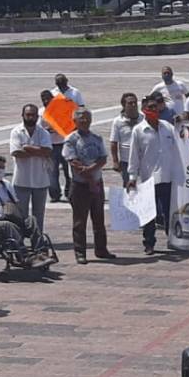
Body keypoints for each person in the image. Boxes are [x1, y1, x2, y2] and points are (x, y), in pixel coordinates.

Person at [127, 94, 184, 255]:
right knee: (149, 215)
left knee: (170, 212)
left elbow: (180, 144)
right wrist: (132, 177)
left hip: (168, 177)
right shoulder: (139, 131)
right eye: (150, 107)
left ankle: (172, 240)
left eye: (156, 106)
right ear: (144, 110)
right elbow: (134, 156)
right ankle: (149, 243)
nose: (154, 109)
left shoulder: (167, 127)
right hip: (149, 179)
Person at [63, 108, 115, 264]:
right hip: (80, 185)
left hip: (97, 183)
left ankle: (101, 249)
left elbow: (103, 158)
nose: (84, 121)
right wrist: (88, 176)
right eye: (81, 118)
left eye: (87, 118)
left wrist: (91, 171)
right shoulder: (71, 139)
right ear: (75, 121)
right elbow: (73, 162)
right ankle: (80, 252)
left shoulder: (97, 138)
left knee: (99, 219)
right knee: (80, 221)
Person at [8, 104, 53, 233]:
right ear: (22, 115)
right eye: (28, 115)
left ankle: (37, 240)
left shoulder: (43, 132)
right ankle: (20, 239)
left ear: (37, 117)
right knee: (20, 214)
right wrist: (39, 151)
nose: (31, 117)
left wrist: (27, 148)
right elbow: (16, 152)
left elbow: (48, 151)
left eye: (33, 115)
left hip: (40, 180)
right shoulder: (16, 131)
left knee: (38, 215)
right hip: (21, 180)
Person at [38, 89, 71, 202]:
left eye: (48, 99)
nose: (46, 101)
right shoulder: (41, 112)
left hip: (64, 143)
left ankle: (69, 192)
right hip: (50, 145)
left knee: (68, 171)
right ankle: (55, 194)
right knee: (52, 172)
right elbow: (39, 129)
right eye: (43, 100)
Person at [108, 93, 142, 186]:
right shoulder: (118, 121)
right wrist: (115, 161)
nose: (133, 105)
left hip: (143, 159)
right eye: (130, 103)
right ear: (124, 105)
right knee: (129, 186)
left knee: (145, 186)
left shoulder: (143, 118)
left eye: (135, 102)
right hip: (126, 161)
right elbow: (114, 142)